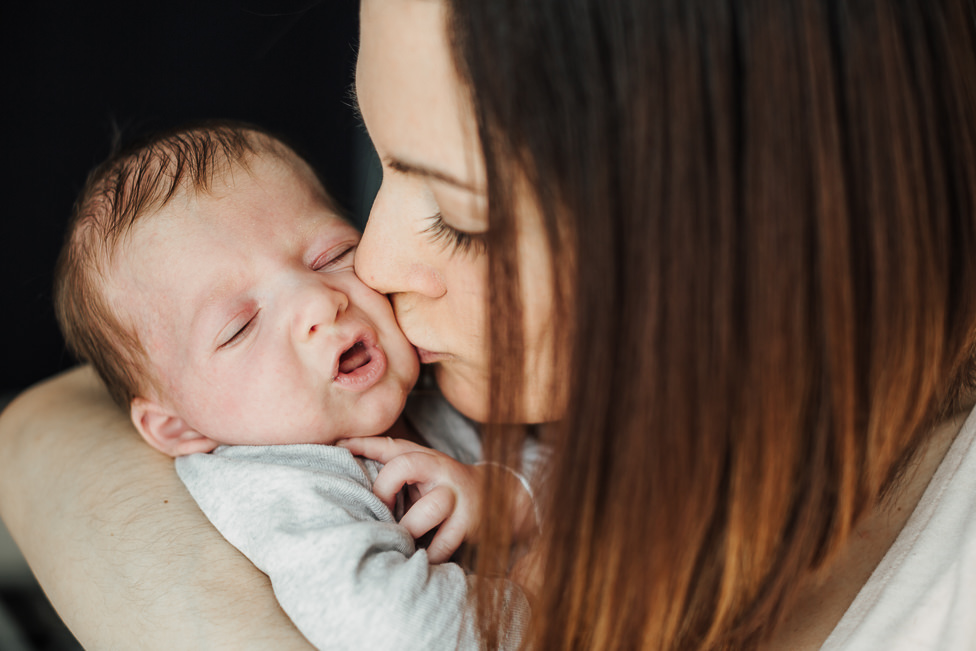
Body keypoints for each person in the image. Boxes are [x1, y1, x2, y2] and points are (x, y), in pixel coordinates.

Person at [2, 0, 976, 649]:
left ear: (741, 240)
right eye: (384, 170)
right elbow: (41, 425)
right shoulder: (285, 462)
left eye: (462, 217)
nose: (371, 270)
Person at [51, 120, 535, 649]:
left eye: (332, 256)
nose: (319, 301)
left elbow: (596, 482)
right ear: (176, 425)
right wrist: (547, 595)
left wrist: (508, 500)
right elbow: (392, 631)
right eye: (240, 326)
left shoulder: (441, 381)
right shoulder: (283, 482)